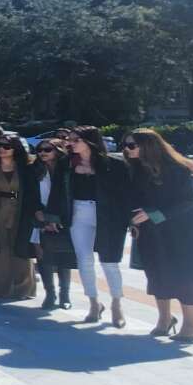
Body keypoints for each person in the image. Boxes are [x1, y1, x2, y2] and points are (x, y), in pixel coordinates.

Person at [125, 128, 193, 342]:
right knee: (156, 274)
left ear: (148, 146)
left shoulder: (181, 169)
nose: (127, 149)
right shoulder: (138, 169)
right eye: (125, 145)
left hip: (183, 233)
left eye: (131, 145)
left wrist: (154, 214)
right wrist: (133, 220)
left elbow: (191, 201)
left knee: (184, 276)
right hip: (151, 232)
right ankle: (165, 319)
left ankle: (192, 322)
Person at [51, 126, 132, 327]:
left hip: (108, 215)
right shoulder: (66, 163)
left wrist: (128, 219)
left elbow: (125, 195)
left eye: (75, 139)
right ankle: (94, 303)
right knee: (84, 260)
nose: (70, 143)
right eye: (69, 139)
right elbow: (57, 191)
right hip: (78, 213)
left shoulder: (114, 164)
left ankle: (116, 304)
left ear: (90, 141)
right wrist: (53, 216)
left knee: (109, 261)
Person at [0, 134, 38, 300]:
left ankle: (24, 289)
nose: (2, 149)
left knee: (21, 250)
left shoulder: (26, 167)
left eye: (7, 146)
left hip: (20, 211)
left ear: (16, 149)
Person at [30, 138, 73, 309]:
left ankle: (65, 295)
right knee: (42, 256)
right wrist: (37, 212)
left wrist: (56, 218)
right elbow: (30, 193)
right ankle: (50, 293)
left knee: (63, 256)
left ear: (58, 151)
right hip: (39, 216)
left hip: (63, 218)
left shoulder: (67, 169)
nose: (43, 153)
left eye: (47, 149)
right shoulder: (34, 169)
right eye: (40, 150)